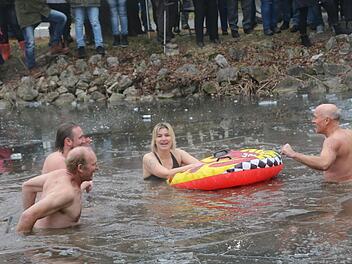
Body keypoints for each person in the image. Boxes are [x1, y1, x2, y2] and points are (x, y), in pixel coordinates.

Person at [16, 146, 98, 234]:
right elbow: (27, 216)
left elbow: (27, 187)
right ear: (80, 168)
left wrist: (85, 184)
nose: (97, 168)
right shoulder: (66, 193)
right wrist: (31, 245)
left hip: (57, 235)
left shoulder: (60, 175)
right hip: (54, 241)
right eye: (93, 164)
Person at [281, 104, 352, 183]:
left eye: (315, 117)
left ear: (326, 121)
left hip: (338, 190)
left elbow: (324, 164)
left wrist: (293, 154)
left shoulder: (332, 140)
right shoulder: (349, 133)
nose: (313, 121)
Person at [14, 0, 69, 76]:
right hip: (25, 13)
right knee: (30, 42)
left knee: (62, 18)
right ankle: (31, 67)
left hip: (41, 9)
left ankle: (55, 44)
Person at [42, 122, 93, 191]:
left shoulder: (70, 159)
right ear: (68, 141)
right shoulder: (58, 160)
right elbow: (71, 191)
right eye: (80, 138)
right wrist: (86, 183)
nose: (84, 140)